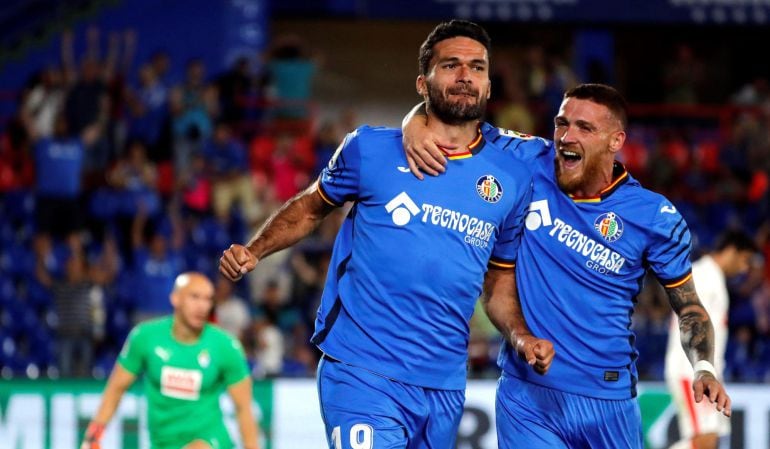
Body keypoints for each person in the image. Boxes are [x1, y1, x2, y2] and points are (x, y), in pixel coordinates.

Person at [219, 20, 554, 449]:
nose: (465, 75)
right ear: (422, 82)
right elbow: (310, 207)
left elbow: (499, 278)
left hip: (444, 382)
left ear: (489, 85)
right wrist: (254, 250)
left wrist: (522, 336)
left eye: (477, 67)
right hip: (363, 370)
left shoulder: (514, 173)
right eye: (450, 65)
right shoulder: (371, 149)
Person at [402, 83, 731, 448]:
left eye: (584, 128)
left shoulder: (654, 216)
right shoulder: (529, 157)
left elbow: (688, 306)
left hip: (608, 404)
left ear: (615, 141)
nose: (566, 136)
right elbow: (452, 125)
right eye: (562, 123)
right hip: (527, 397)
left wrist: (704, 366)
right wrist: (413, 123)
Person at [80, 272, 260, 449]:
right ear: (175, 298)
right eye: (195, 297)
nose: (202, 306)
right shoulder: (145, 337)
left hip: (210, 441)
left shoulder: (226, 346)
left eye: (208, 299)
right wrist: (92, 437)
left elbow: (244, 408)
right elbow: (116, 389)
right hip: (162, 443)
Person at [665, 230, 757, 449]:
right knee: (705, 440)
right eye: (744, 260)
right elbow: (691, 322)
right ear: (731, 251)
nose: (744, 269)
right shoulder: (703, 275)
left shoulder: (712, 277)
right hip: (692, 369)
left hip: (707, 371)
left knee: (710, 439)